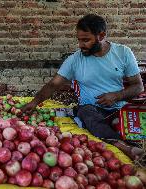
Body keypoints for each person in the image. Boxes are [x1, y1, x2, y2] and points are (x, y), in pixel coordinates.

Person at [22, 14, 144, 160]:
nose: (81, 45)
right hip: (91, 109)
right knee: (85, 112)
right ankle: (123, 146)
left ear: (101, 35)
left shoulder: (123, 53)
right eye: (79, 40)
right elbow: (53, 84)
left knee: (127, 124)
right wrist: (34, 102)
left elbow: (138, 86)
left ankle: (120, 132)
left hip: (119, 108)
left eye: (86, 40)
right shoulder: (75, 60)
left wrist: (117, 95)